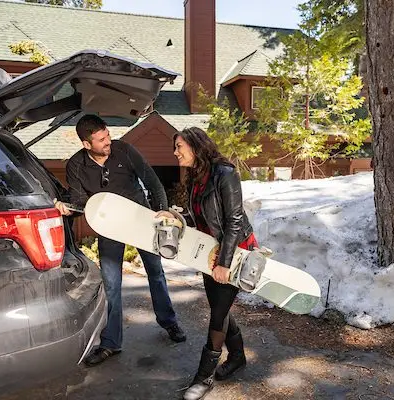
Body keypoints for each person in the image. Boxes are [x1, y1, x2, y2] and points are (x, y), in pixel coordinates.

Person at [56, 114, 186, 367]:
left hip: (141, 220)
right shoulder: (76, 165)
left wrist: (162, 211)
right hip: (109, 227)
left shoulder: (125, 150)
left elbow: (152, 181)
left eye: (107, 135)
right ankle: (111, 343)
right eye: (101, 139)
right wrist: (69, 208)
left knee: (156, 273)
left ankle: (169, 322)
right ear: (86, 144)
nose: (108, 141)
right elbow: (80, 200)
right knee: (112, 286)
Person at [157, 127, 257, 400]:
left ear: (195, 145)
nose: (176, 153)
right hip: (210, 252)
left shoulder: (225, 173)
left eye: (179, 147)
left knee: (217, 314)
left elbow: (233, 221)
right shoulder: (196, 177)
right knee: (219, 308)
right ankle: (237, 357)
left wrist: (224, 264)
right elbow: (200, 217)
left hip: (235, 252)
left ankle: (204, 377)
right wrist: (178, 219)